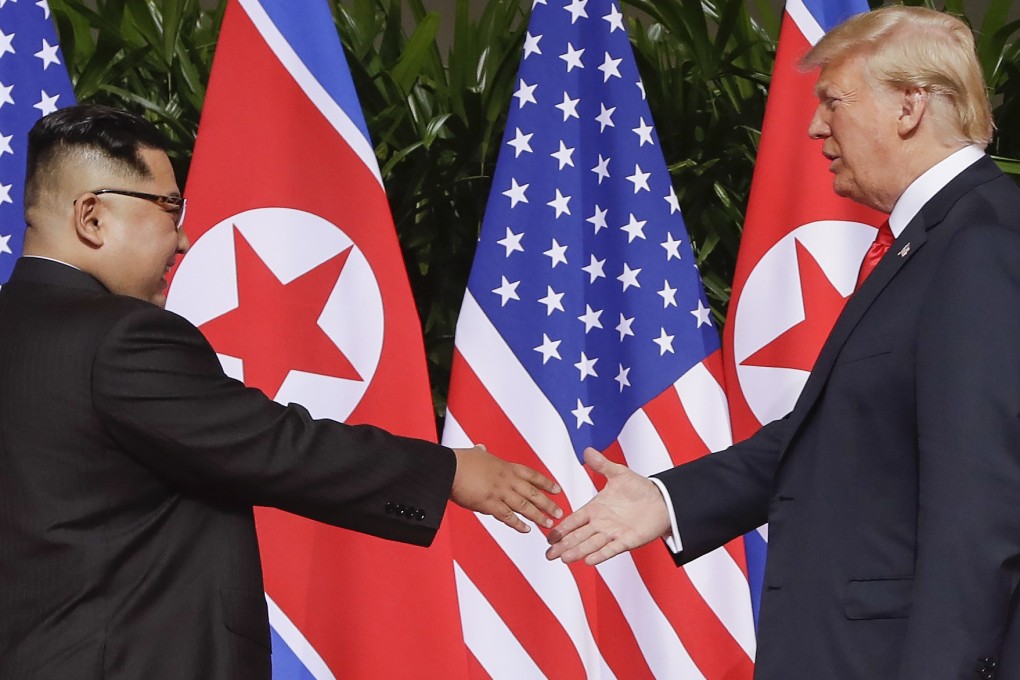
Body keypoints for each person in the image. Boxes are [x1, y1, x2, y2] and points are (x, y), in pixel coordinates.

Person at [0, 104, 562, 679]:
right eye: (171, 208)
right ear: (92, 217)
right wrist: (448, 471)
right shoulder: (122, 336)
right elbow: (273, 444)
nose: (185, 237)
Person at [546, 6, 1020, 679]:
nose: (815, 125)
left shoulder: (980, 245)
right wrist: (669, 500)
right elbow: (832, 432)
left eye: (833, 100)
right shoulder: (930, 241)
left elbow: (981, 509)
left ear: (909, 107)